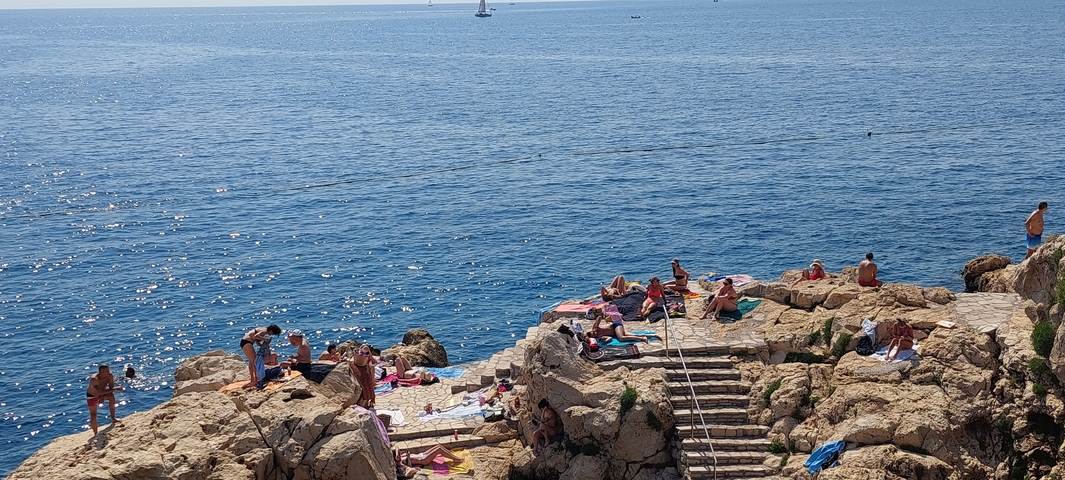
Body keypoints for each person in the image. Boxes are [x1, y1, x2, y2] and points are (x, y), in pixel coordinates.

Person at [86, 365, 123, 434]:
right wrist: (116, 389)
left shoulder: (110, 376)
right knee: (93, 414)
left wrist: (103, 396)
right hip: (92, 395)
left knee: (111, 397)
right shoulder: (94, 379)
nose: (108, 372)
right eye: (106, 371)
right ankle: (95, 433)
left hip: (102, 393)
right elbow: (99, 392)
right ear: (100, 372)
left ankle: (113, 418)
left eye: (108, 370)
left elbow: (111, 387)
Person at [592, 306, 656, 343]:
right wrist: (603, 339)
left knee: (621, 338)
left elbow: (599, 317)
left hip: (616, 325)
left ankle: (643, 339)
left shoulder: (595, 327)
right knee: (634, 335)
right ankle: (653, 335)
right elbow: (610, 338)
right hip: (616, 332)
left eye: (593, 333)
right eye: (594, 335)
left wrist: (596, 325)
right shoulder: (599, 336)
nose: (595, 334)